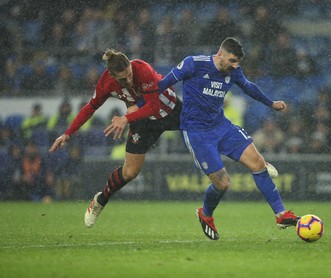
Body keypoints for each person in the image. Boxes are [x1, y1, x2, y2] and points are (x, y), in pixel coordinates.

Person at [158, 37, 299, 240]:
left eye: (237, 62)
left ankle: (281, 215)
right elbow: (163, 84)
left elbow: (248, 86)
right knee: (222, 184)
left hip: (222, 127)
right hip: (197, 133)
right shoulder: (193, 64)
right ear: (220, 54)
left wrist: (271, 103)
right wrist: (138, 106)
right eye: (232, 60)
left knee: (259, 164)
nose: (235, 66)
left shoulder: (233, 71)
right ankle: (205, 214)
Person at [49, 49, 181, 228]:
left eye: (129, 75)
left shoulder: (142, 69)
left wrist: (126, 118)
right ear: (111, 75)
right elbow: (90, 107)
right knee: (130, 172)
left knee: (205, 132)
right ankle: (100, 201)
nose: (128, 80)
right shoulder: (106, 83)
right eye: (122, 79)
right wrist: (68, 133)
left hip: (171, 110)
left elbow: (154, 106)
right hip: (142, 121)